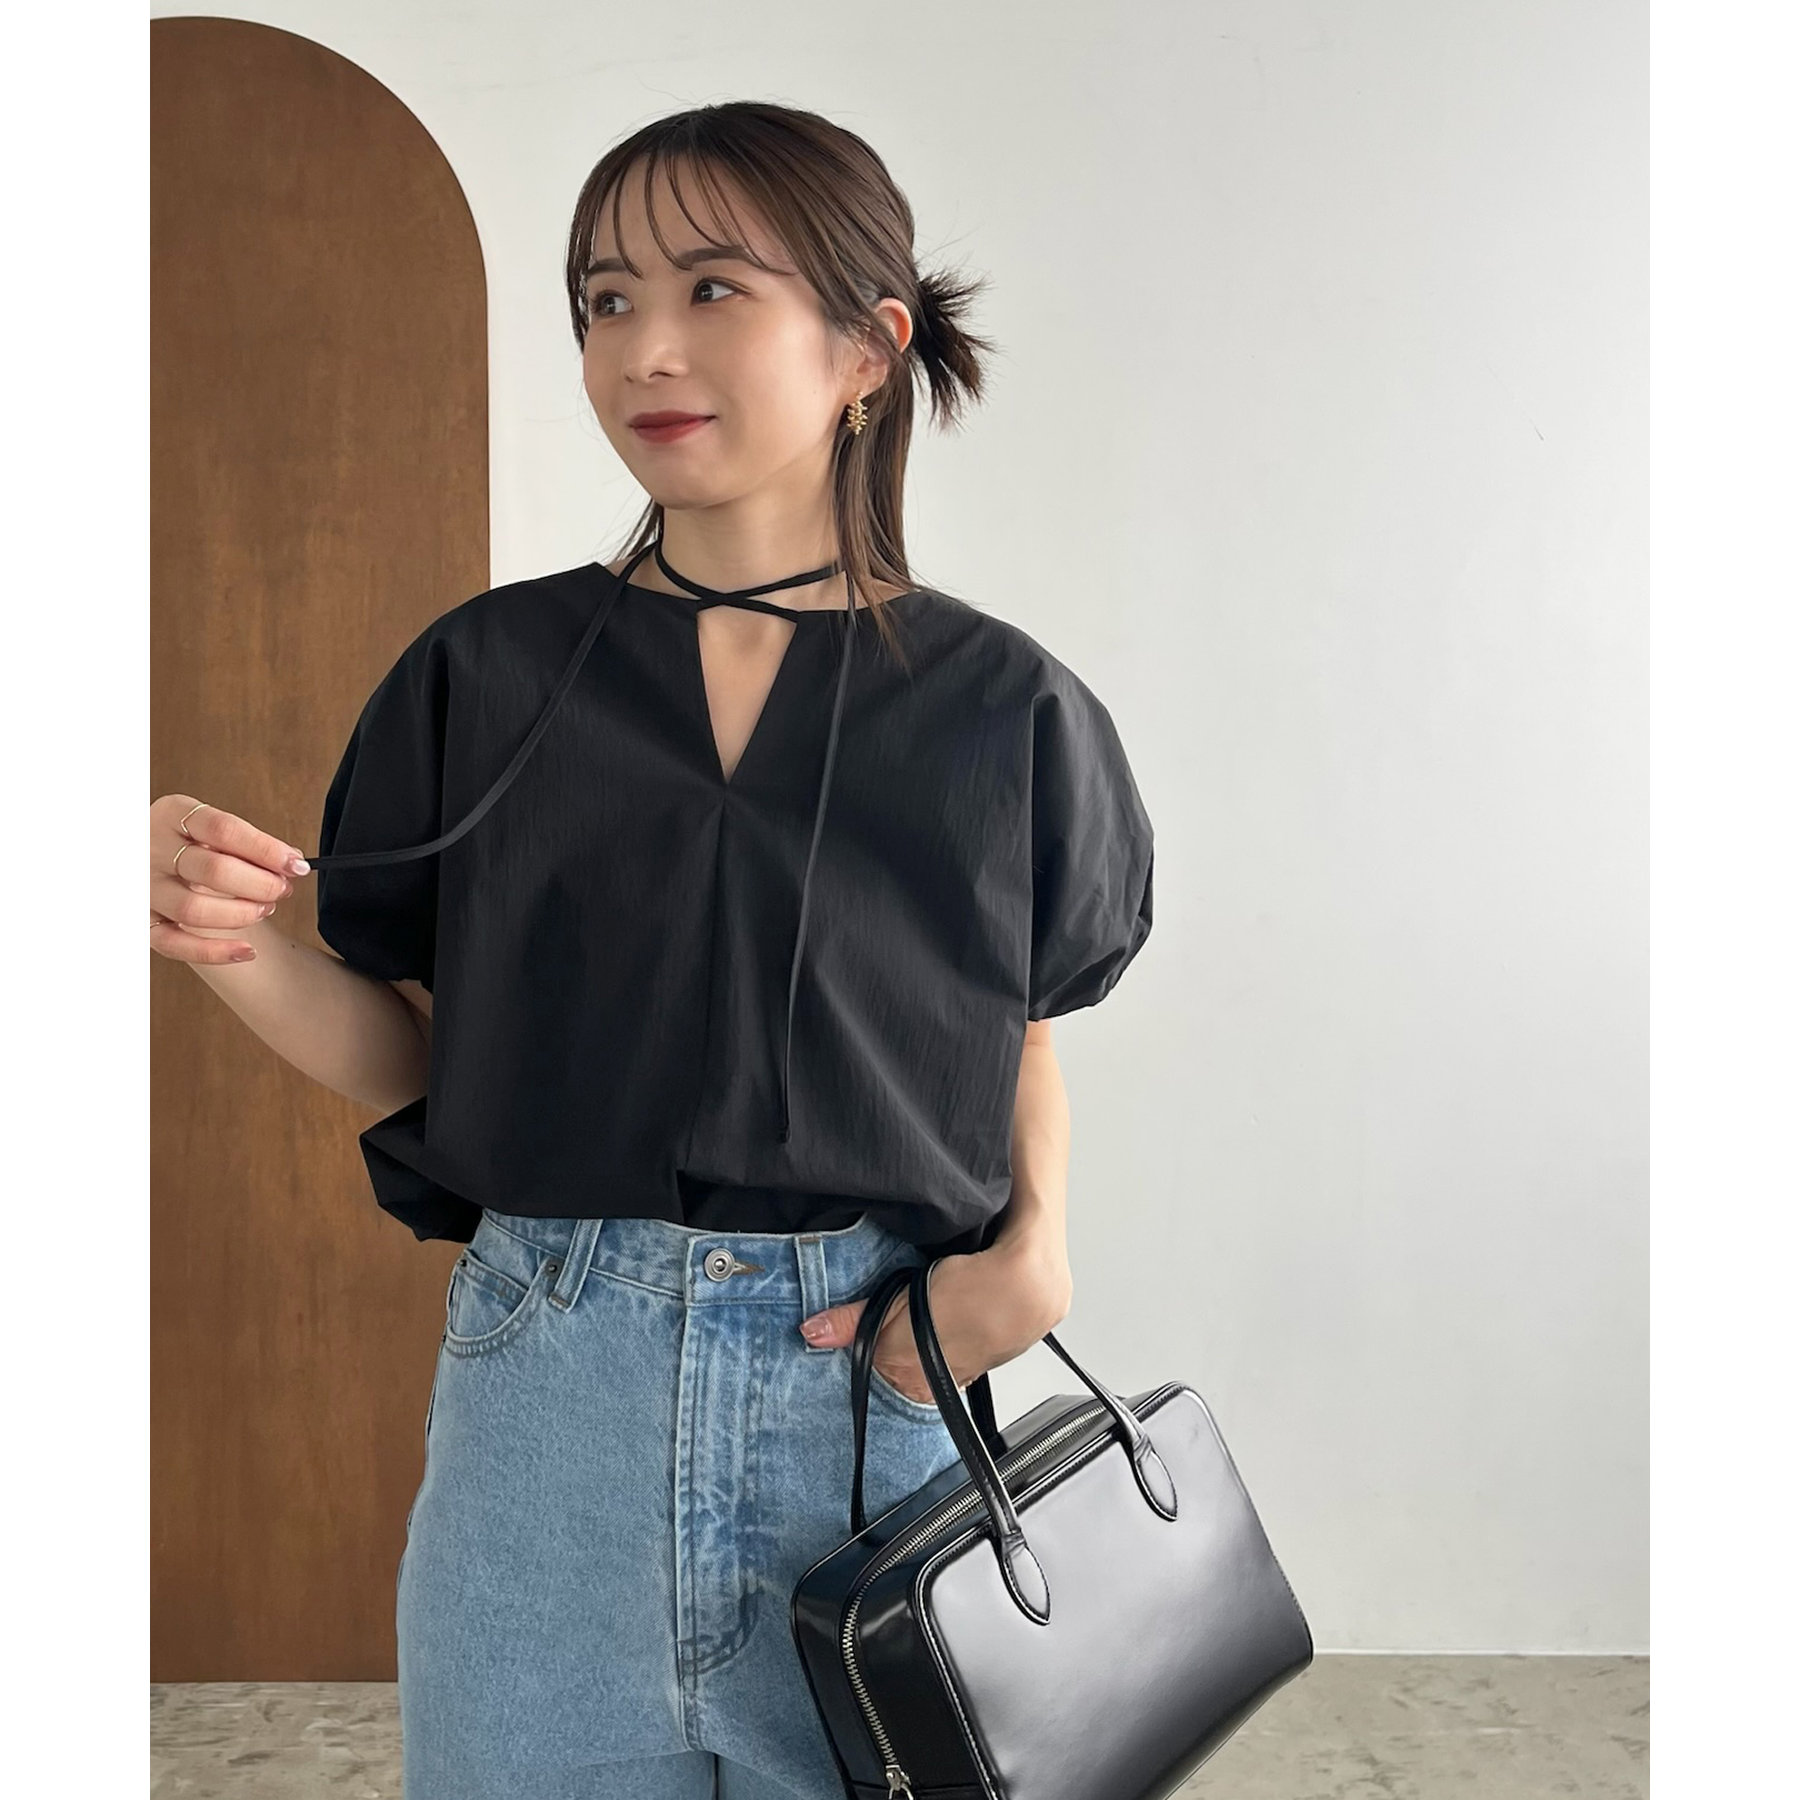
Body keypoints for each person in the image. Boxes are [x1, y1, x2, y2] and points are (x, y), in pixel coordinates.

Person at [150, 101, 1153, 1800]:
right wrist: (223, 943)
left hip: (872, 1397)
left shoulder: (1007, 711)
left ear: (866, 349)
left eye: (710, 289)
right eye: (606, 301)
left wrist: (1036, 1251)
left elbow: (1017, 1019)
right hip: (548, 1409)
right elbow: (419, 1049)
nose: (644, 349)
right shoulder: (485, 675)